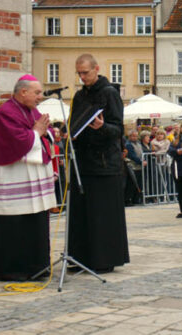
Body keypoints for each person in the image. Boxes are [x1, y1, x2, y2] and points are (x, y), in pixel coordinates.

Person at [0, 75, 55, 280]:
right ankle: (11, 269)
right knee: (14, 225)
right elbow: (17, 141)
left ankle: (36, 266)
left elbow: (44, 132)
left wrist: (45, 132)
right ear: (23, 92)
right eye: (37, 93)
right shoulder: (6, 112)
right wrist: (37, 132)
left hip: (31, 181)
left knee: (34, 222)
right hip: (12, 178)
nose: (40, 97)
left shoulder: (32, 110)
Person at [68, 54, 129, 273]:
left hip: (104, 165)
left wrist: (102, 127)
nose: (82, 77)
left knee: (102, 216)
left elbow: (118, 130)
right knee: (82, 215)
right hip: (82, 163)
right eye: (79, 73)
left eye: (85, 72)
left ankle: (103, 259)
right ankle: (79, 257)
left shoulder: (109, 93)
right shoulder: (79, 96)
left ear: (96, 69)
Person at [125, 130, 144, 207]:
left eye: (136, 136)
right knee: (131, 184)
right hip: (132, 167)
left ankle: (136, 199)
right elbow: (132, 156)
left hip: (139, 167)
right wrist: (141, 162)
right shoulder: (128, 145)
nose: (135, 137)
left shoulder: (139, 144)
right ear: (129, 136)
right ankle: (128, 200)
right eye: (133, 136)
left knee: (138, 184)